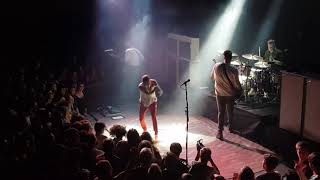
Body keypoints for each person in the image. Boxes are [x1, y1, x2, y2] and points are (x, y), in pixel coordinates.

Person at [211, 50, 242, 140]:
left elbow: (212, 78)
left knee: (221, 113)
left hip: (219, 93)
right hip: (230, 94)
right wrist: (240, 89)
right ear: (231, 58)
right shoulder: (234, 70)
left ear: (223, 57)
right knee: (230, 112)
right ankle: (231, 128)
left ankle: (220, 133)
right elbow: (236, 84)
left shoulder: (216, 66)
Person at [138, 74, 160, 142]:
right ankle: (145, 131)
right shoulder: (140, 86)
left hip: (152, 101)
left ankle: (156, 134)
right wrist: (153, 89)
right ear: (143, 82)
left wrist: (158, 89)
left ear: (149, 80)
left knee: (154, 117)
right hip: (144, 102)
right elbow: (148, 93)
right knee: (141, 118)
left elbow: (158, 89)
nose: (146, 84)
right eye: (145, 83)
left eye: (147, 83)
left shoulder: (153, 81)